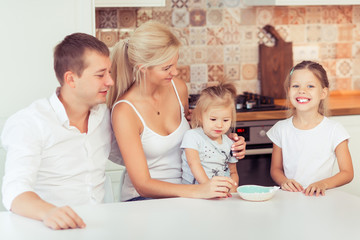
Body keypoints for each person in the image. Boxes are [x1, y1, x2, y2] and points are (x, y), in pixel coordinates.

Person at [108, 21, 246, 202]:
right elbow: (142, 184)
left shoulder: (178, 88)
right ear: (143, 69)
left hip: (187, 192)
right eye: (166, 68)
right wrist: (199, 191)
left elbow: (196, 136)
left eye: (175, 63)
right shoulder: (124, 111)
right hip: (143, 200)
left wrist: (225, 143)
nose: (174, 72)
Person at [1, 33, 114, 229]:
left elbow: (131, 155)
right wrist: (48, 212)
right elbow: (14, 191)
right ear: (71, 79)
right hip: (47, 229)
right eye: (100, 74)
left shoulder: (105, 116)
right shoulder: (29, 123)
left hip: (97, 227)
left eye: (109, 73)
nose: (110, 81)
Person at [266, 60, 353, 196]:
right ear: (289, 91)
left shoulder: (335, 130)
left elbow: (347, 173)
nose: (302, 91)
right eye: (296, 86)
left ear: (323, 93)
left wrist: (323, 184)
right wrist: (284, 181)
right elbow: (275, 169)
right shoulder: (281, 129)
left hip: (320, 200)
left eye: (310, 86)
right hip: (291, 199)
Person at [181, 82, 239, 193]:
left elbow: (233, 172)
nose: (220, 125)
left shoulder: (229, 143)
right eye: (213, 119)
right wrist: (208, 188)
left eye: (226, 120)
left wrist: (233, 187)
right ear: (200, 116)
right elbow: (194, 164)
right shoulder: (192, 136)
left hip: (219, 194)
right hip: (194, 194)